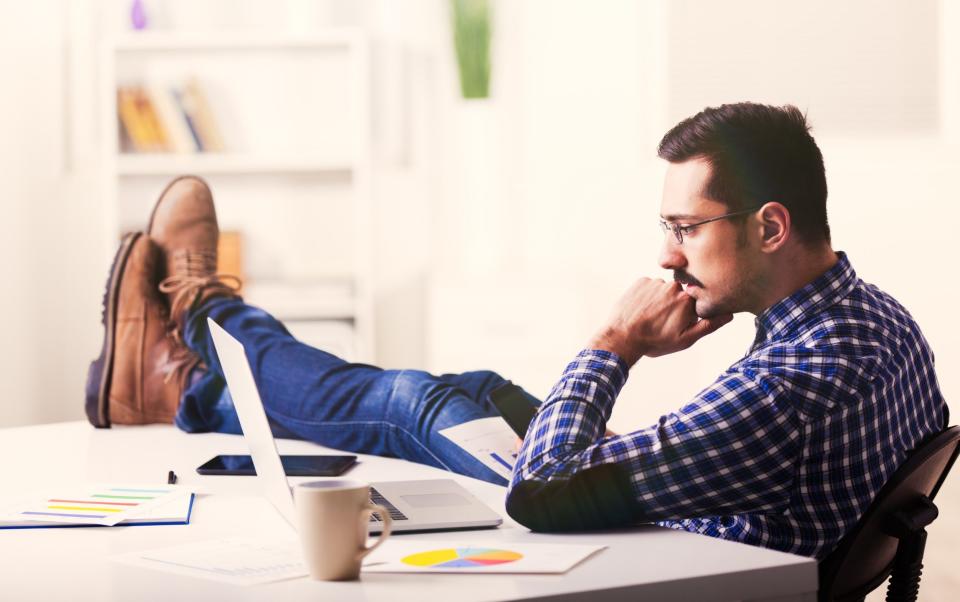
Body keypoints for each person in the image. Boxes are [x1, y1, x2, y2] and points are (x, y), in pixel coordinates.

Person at [85, 102, 948, 560]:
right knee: (477, 395)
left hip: (656, 551)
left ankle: (199, 340)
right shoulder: (878, 321)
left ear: (768, 227)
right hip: (698, 511)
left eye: (685, 229)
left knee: (412, 406)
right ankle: (188, 383)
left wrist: (612, 343)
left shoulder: (795, 385)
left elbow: (544, 496)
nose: (665, 254)